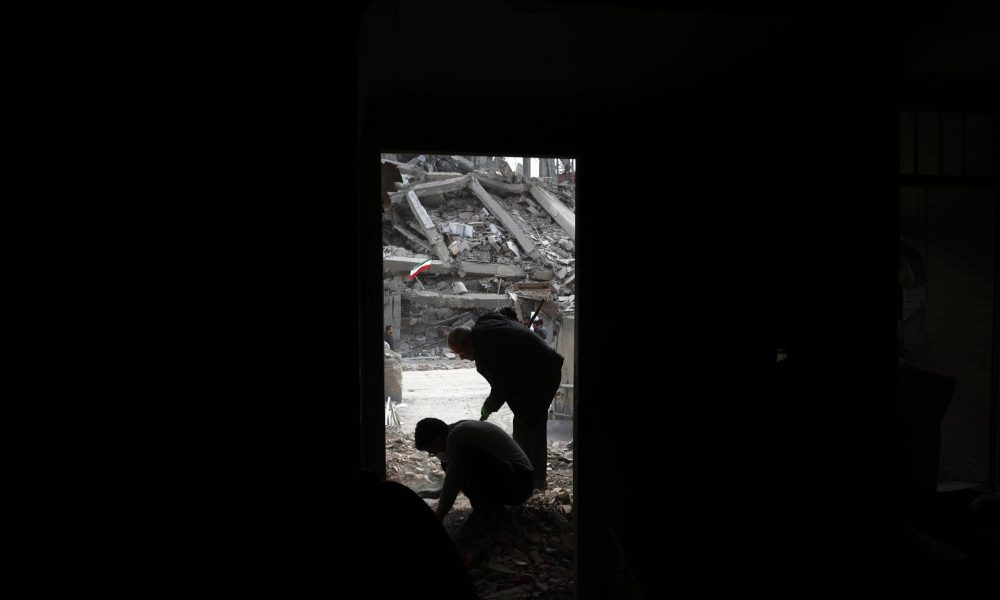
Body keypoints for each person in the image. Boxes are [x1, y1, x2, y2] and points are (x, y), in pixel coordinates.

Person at [447, 312, 563, 490]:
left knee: (531, 426)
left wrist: (488, 407)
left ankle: (536, 479)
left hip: (543, 374)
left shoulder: (486, 351)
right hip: (534, 370)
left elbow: (501, 387)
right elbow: (506, 313)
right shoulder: (485, 324)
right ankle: (522, 469)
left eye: (460, 353)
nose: (462, 357)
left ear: (468, 341)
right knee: (523, 422)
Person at [414, 418, 533, 536]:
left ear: (437, 439)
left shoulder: (457, 436)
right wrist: (438, 493)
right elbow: (453, 473)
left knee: (467, 454)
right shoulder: (456, 430)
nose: (434, 454)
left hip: (520, 485)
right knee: (448, 462)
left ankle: (488, 511)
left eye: (432, 452)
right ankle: (486, 508)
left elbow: (453, 480)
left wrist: (438, 516)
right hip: (515, 478)